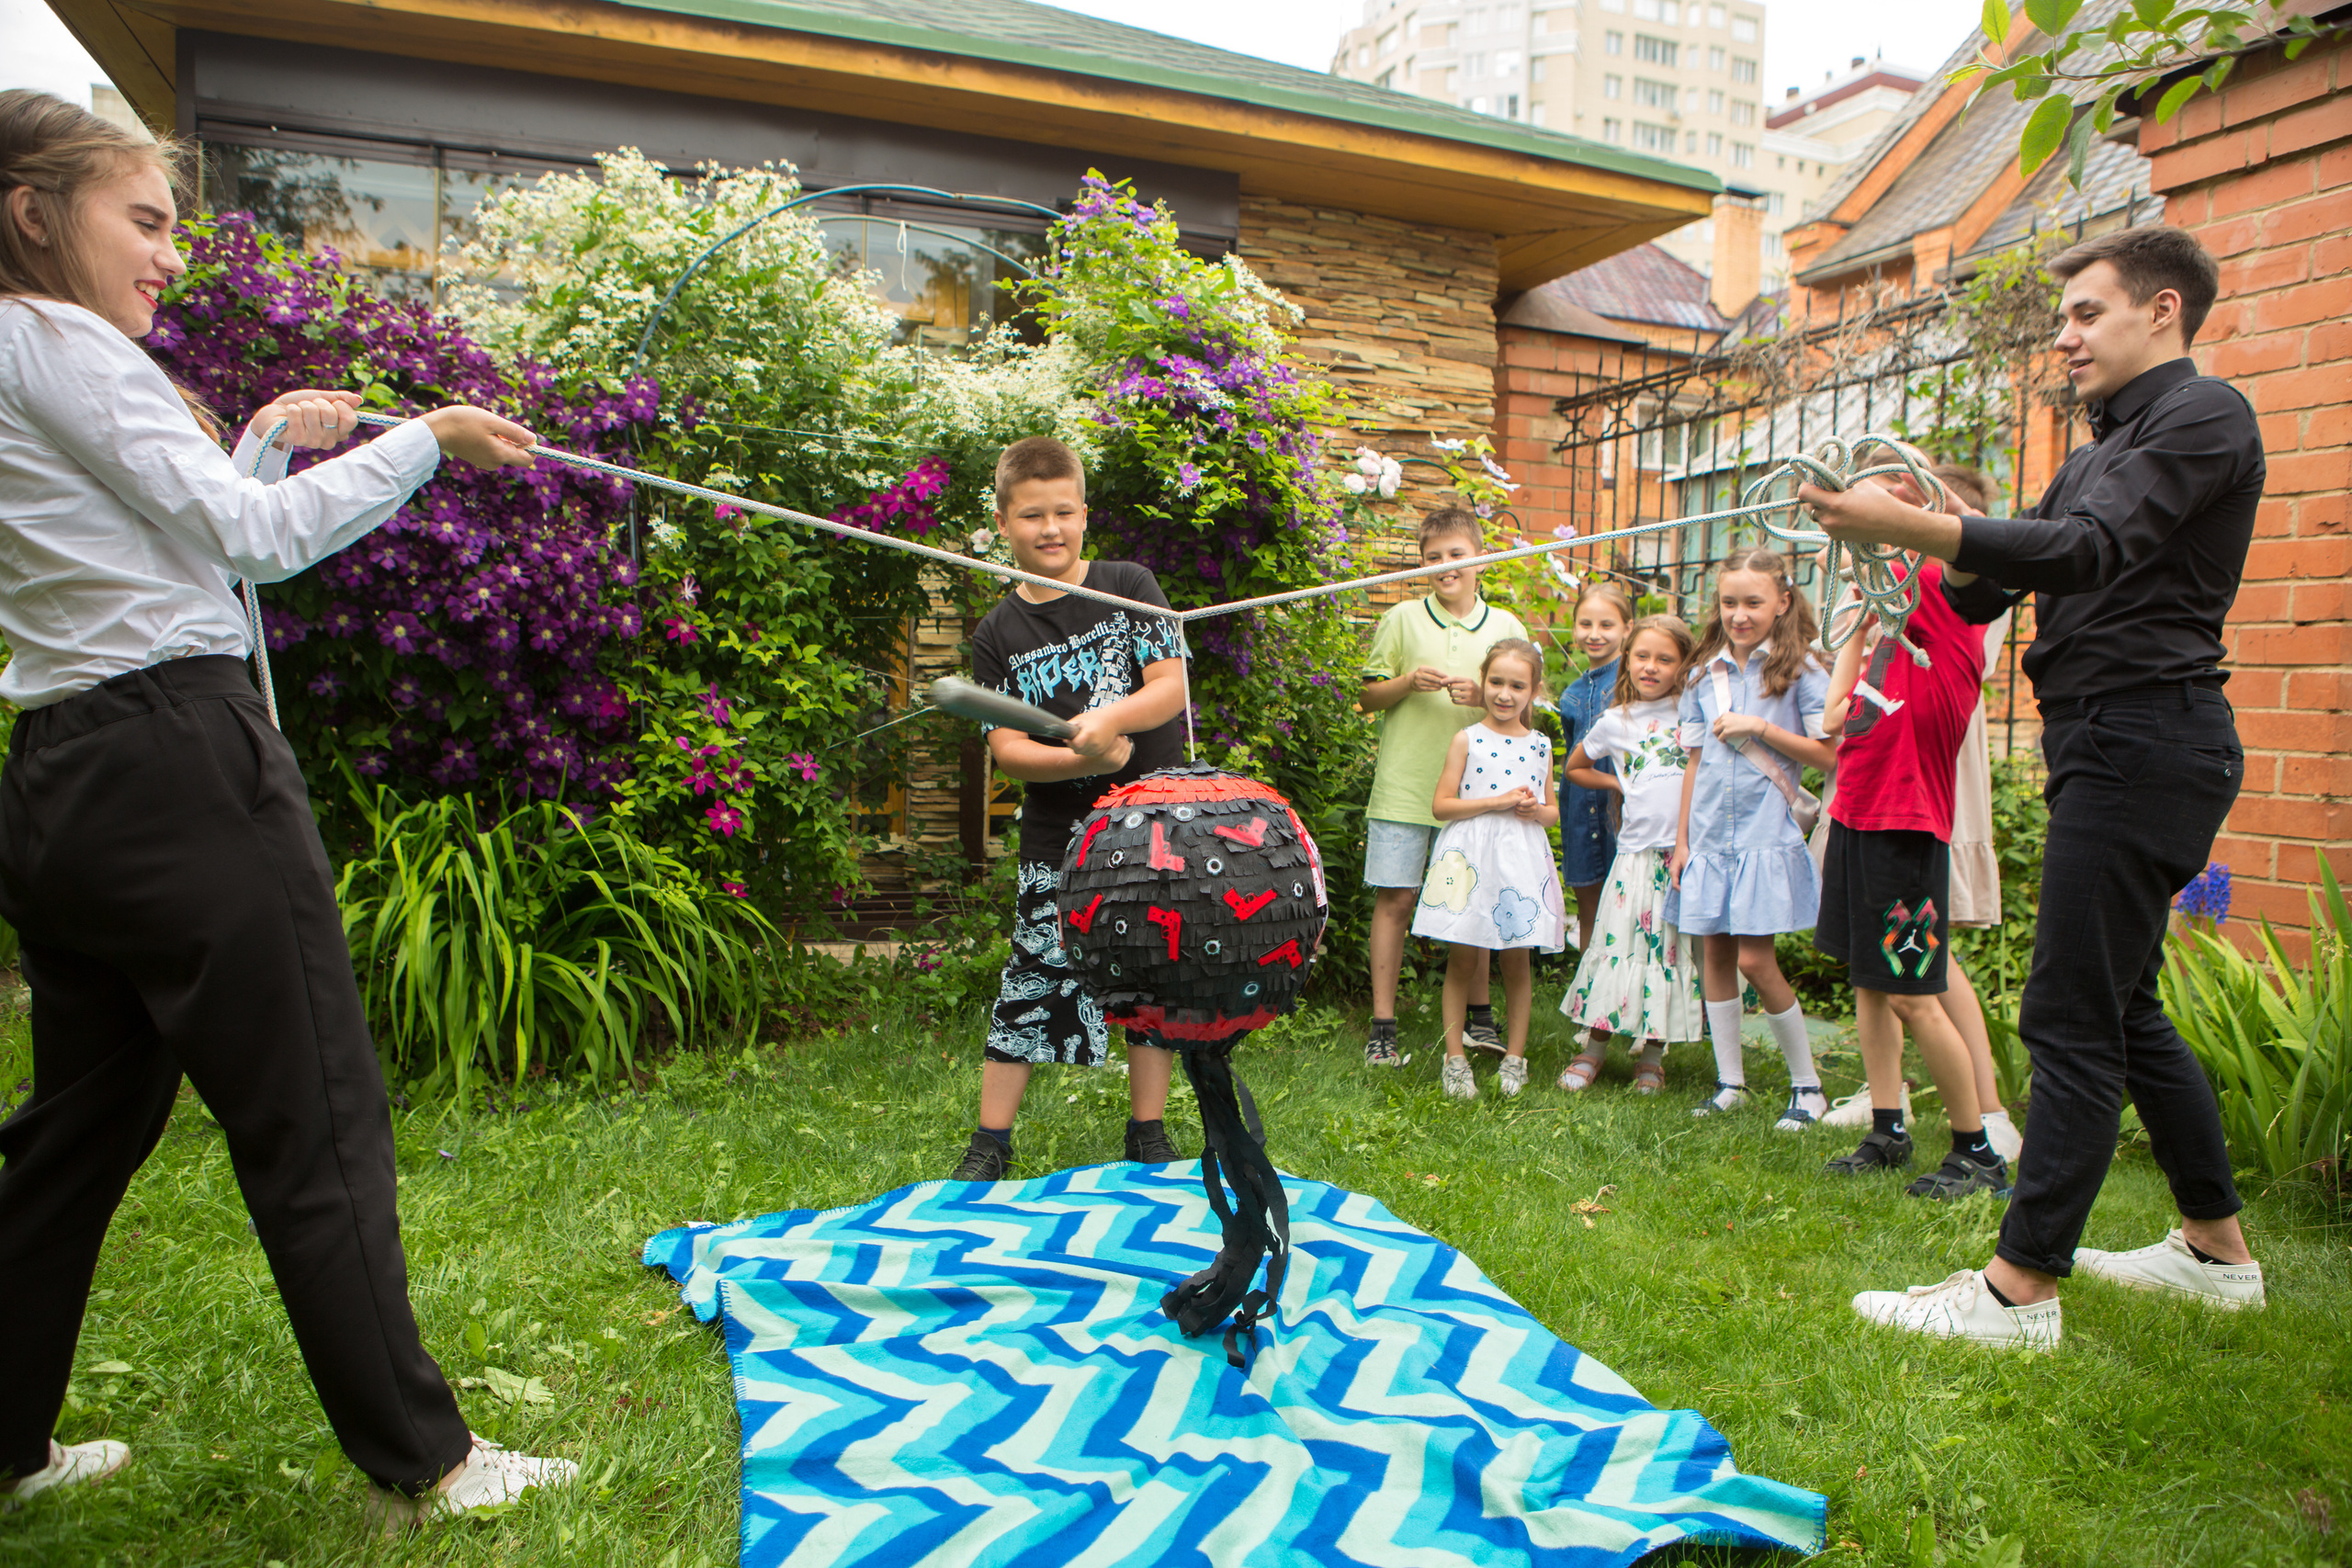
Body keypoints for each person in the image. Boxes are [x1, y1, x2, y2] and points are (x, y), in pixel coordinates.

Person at [0, 89, 572, 1521]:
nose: (165, 256)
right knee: (314, 1108)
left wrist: (263, 441)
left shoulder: (19, 356)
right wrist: (429, 438)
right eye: (142, 219)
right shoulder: (59, 339)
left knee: (72, 1135)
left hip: (67, 775)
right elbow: (251, 546)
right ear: (32, 211)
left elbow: (189, 548)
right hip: (181, 766)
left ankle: (1, 1437)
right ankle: (427, 1459)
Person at [1810, 226, 2266, 1348]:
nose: (2062, 337)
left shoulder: (2205, 418)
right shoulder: (2096, 446)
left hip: (2146, 739)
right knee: (2124, 1008)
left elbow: (2088, 553)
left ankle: (2020, 1290)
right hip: (2106, 742)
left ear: (2162, 312)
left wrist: (1917, 522)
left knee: (2067, 1012)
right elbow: (1983, 590)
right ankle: (2215, 1252)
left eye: (2084, 314)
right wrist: (1890, 542)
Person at [952, 435, 1193, 1182]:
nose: (1049, 528)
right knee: (1033, 973)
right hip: (1059, 837)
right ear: (1003, 523)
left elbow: (1170, 687)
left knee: (1151, 975)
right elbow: (1011, 751)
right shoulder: (998, 633)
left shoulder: (1128, 585)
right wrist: (1081, 758)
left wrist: (1113, 722)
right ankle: (990, 1143)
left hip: (1149, 821)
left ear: (1085, 514)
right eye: (1031, 516)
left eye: (1063, 511)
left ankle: (1147, 1133)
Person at [1813, 459, 2012, 1201]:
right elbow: (1836, 721)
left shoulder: (1953, 607)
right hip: (1857, 819)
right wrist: (1857, 643)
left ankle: (1976, 1148)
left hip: (1906, 831)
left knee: (1912, 993)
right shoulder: (1886, 625)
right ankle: (1888, 1128)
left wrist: (1895, 515)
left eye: (1899, 512)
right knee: (1870, 984)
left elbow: (1947, 548)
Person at [1670, 548, 1837, 1129]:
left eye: (1754, 602)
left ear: (1783, 602)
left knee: (1755, 959)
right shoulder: (1702, 672)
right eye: (1729, 602)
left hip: (1765, 834)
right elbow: (1693, 762)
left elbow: (1828, 752)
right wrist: (1683, 840)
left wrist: (1760, 726)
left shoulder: (1803, 669)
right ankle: (1730, 1082)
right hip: (1709, 836)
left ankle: (1808, 1087)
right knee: (1715, 952)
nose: (1739, 614)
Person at [1358, 508, 1529, 1067]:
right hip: (1406, 787)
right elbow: (1368, 698)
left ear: (1481, 557)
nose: (1445, 566)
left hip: (1479, 794)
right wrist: (1406, 683)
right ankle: (1384, 1024)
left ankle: (1478, 1019)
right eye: (1433, 558)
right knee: (1397, 897)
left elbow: (1521, 703)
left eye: (1457, 555)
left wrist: (1482, 698)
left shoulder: (1507, 626)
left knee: (1472, 901)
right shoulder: (1403, 619)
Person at [1557, 615, 1704, 1095]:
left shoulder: (1694, 713)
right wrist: (1618, 782)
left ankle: (1652, 1058)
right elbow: (1576, 766)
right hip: (1635, 857)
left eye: (1665, 658)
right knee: (1618, 950)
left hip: (1680, 858)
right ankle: (1593, 1049)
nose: (1651, 667)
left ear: (1683, 665)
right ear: (1627, 660)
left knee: (1665, 953)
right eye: (1642, 656)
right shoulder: (1616, 721)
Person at [1412, 639, 1566, 1100]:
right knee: (1464, 958)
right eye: (1496, 682)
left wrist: (1535, 812)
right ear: (1483, 682)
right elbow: (1442, 805)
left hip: (1518, 859)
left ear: (1534, 690)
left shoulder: (1540, 745)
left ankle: (1514, 1059)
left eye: (1517, 685)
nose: (1504, 693)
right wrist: (1497, 802)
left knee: (1518, 961)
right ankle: (1455, 1058)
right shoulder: (1468, 739)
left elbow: (1552, 810)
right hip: (1473, 858)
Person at [1557, 581, 1634, 950]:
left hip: (1620, 809)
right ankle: (1589, 996)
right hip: (1578, 809)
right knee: (1589, 907)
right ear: (1574, 628)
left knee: (1627, 904)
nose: (1594, 634)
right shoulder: (1571, 693)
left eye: (1606, 625)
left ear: (1627, 628)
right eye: (1585, 624)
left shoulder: (1633, 681)